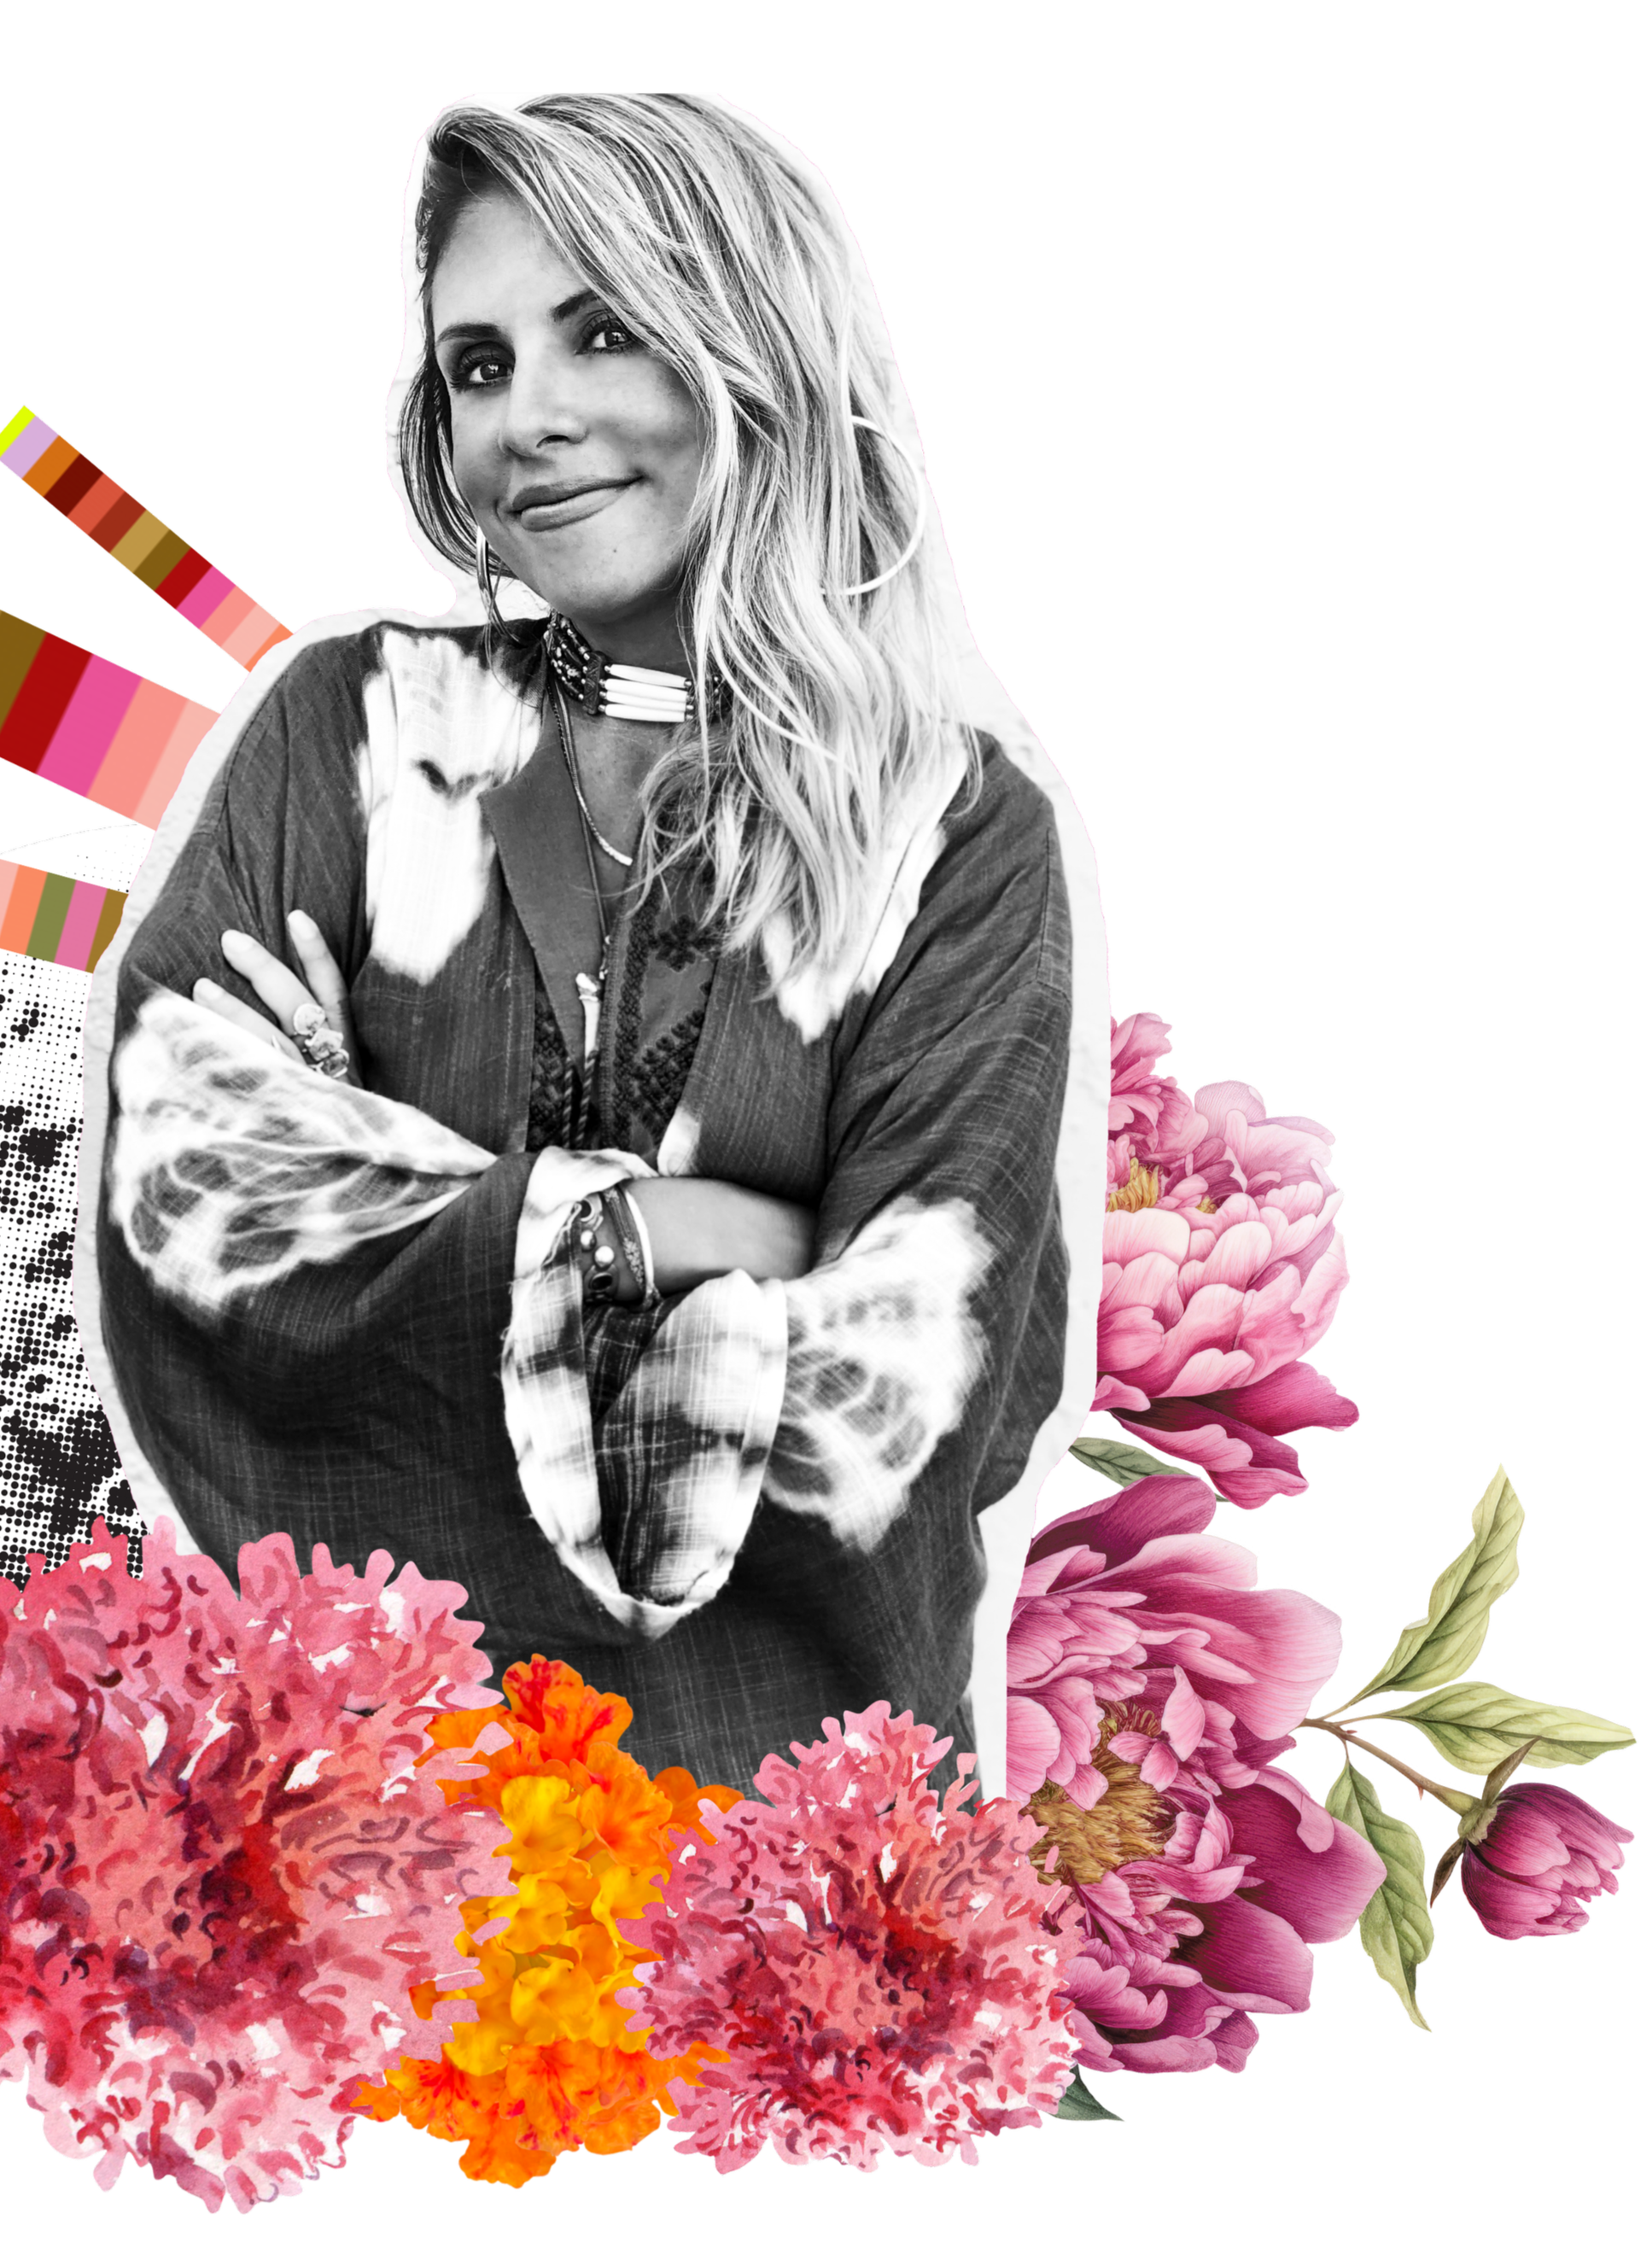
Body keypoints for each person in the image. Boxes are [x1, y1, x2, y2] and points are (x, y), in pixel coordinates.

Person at [75, 91, 1109, 1798]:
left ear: (756, 346)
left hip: (791, 1864)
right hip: (373, 1841)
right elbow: (197, 1208)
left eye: (603, 332)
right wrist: (666, 1237)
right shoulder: (351, 728)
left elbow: (924, 1382)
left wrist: (427, 1220)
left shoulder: (949, 830)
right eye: (477, 366)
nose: (529, 421)